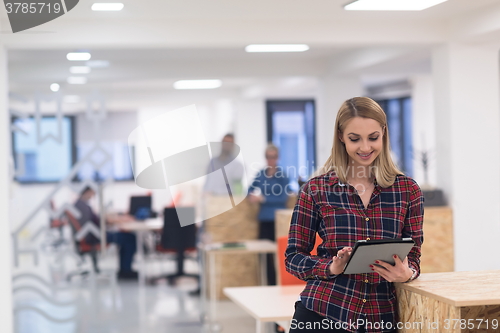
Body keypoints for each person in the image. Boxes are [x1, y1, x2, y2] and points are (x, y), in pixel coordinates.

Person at [285, 97, 424, 333]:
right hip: (323, 314)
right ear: (340, 136)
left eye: (373, 138)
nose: (365, 147)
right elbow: (293, 257)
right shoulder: (317, 189)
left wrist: (407, 273)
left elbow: (414, 256)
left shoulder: (407, 190)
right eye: (354, 139)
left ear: (384, 134)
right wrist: (331, 267)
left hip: (380, 319)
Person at [74, 186, 138, 280]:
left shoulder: (80, 204)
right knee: (129, 238)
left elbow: (94, 221)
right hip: (95, 236)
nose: (93, 195)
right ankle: (125, 271)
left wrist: (109, 220)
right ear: (87, 191)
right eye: (92, 192)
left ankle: (125, 269)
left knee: (126, 236)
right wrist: (109, 221)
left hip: (94, 234)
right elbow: (92, 223)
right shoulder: (82, 206)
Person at [249, 144, 291, 285]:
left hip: (278, 221)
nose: (270, 160)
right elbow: (250, 189)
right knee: (264, 255)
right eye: (268, 157)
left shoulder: (283, 176)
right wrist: (252, 196)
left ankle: (280, 283)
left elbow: (282, 198)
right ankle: (268, 283)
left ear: (277, 158)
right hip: (264, 219)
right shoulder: (261, 174)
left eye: (273, 157)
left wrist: (263, 199)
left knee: (279, 254)